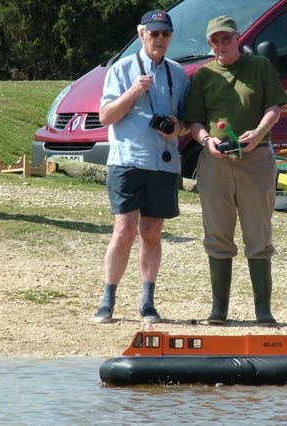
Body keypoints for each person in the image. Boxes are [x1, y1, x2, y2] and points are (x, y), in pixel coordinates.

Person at [186, 16, 287, 325]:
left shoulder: (259, 66)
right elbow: (194, 121)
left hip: (256, 159)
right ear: (209, 44)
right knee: (217, 233)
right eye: (215, 41)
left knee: (258, 233)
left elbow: (275, 108)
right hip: (215, 162)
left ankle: (263, 310)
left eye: (226, 39)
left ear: (238, 38)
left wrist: (257, 133)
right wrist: (206, 141)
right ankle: (219, 310)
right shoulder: (203, 75)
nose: (221, 46)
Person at [92, 10, 190, 324]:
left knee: (151, 232)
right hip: (127, 161)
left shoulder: (179, 74)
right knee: (123, 231)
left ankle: (148, 303)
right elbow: (105, 117)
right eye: (154, 33)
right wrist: (134, 91)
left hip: (163, 163)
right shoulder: (121, 69)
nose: (160, 39)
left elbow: (186, 122)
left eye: (166, 34)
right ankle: (107, 300)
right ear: (141, 33)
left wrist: (177, 127)